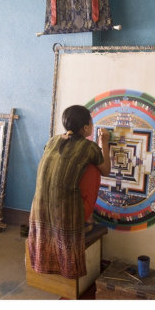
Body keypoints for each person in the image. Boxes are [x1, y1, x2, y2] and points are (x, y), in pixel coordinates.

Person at [28, 105, 110, 279]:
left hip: (38, 212)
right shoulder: (89, 147)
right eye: (91, 123)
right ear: (86, 128)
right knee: (94, 170)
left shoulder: (52, 141)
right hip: (66, 216)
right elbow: (106, 171)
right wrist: (105, 144)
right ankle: (86, 220)